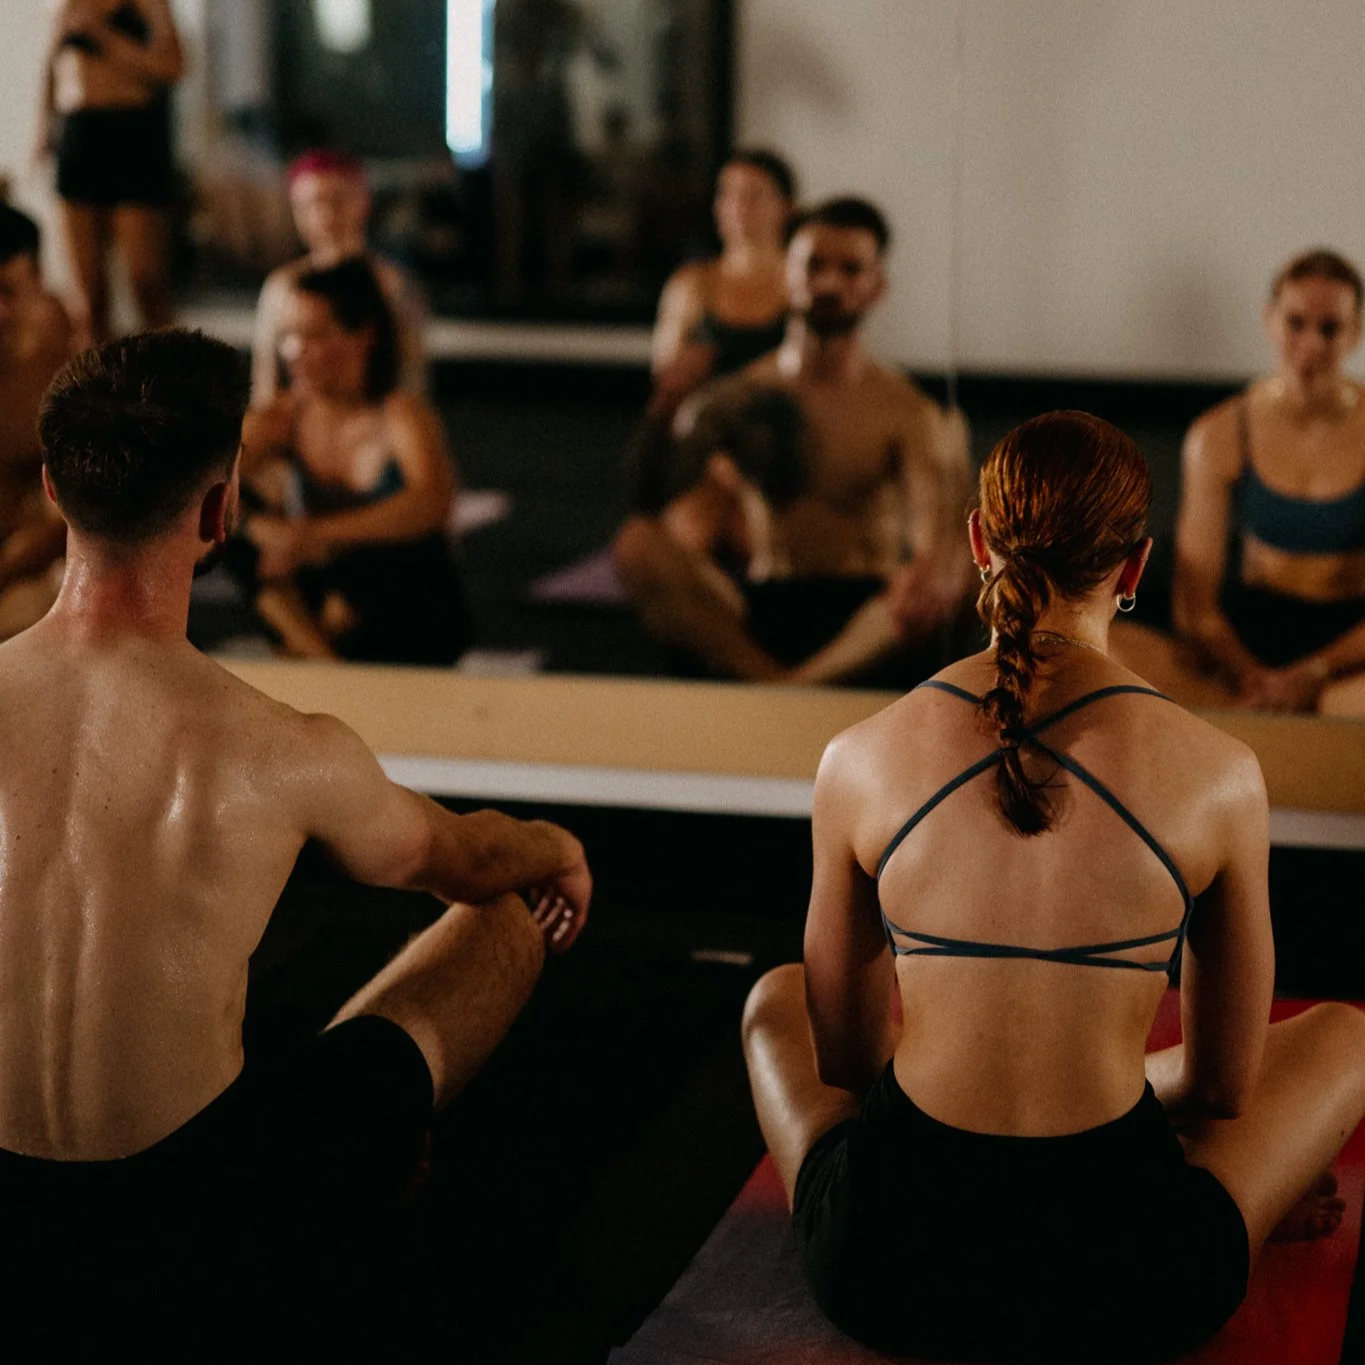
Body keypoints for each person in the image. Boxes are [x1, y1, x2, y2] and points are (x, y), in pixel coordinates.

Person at [0, 327, 590, 1355]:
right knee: (499, 915)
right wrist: (555, 846)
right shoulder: (282, 749)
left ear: (53, 492)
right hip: (203, 1228)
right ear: (222, 510)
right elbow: (468, 861)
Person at [741, 409, 1365, 1363]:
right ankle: (1241, 1197)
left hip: (883, 1269)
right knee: (1344, 1034)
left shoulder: (856, 756)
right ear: (1133, 570)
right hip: (1138, 1283)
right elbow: (1219, 1089)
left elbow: (852, 1062)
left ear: (978, 541)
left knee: (775, 997)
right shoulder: (1221, 770)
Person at [615, 197, 970, 686]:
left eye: (850, 270)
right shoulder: (740, 397)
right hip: (769, 601)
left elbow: (935, 537)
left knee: (962, 568)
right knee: (637, 547)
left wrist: (935, 572)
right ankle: (779, 680)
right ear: (786, 274)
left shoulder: (907, 412)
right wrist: (665, 409)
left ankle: (791, 688)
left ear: (876, 287)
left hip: (868, 615)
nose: (829, 283)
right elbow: (649, 501)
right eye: (814, 265)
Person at [1112, 249, 1365, 713]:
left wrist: (1314, 674)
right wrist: (1254, 678)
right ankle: (1258, 716)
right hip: (1251, 639)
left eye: (1329, 328)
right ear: (1271, 321)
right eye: (1296, 324)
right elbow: (1196, 608)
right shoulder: (1221, 434)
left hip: (1346, 653)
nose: (1311, 344)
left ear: (1354, 332)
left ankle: (1304, 714)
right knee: (1114, 650)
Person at [236, 258, 467, 665]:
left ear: (363, 336)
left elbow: (433, 503)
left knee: (403, 546)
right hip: (324, 604)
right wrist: (261, 527)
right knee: (230, 530)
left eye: (313, 336)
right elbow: (199, 475)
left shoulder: (399, 414)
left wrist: (317, 536)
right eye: (288, 336)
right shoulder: (286, 416)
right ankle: (321, 655)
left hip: (406, 609)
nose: (294, 352)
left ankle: (317, 641)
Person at [37, 0, 184, 348]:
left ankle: (177, 382)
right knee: (86, 297)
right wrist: (44, 129)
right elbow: (53, 64)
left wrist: (103, 37)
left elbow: (173, 67)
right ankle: (94, 393)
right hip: (78, 134)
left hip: (131, 131)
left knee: (145, 281)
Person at [252, 149, 426, 404]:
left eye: (338, 200)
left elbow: (411, 380)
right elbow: (265, 387)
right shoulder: (281, 287)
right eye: (311, 204)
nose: (325, 215)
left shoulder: (392, 285)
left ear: (364, 201)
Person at [648, 150, 795, 418]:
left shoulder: (802, 282)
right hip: (706, 430)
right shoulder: (692, 283)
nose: (738, 205)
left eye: (753, 195)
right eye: (728, 193)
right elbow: (667, 375)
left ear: (786, 206)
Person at [0, 206, 73, 640]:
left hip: (31, 537)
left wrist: (13, 561)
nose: (3, 312)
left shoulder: (53, 337)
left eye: (12, 293)